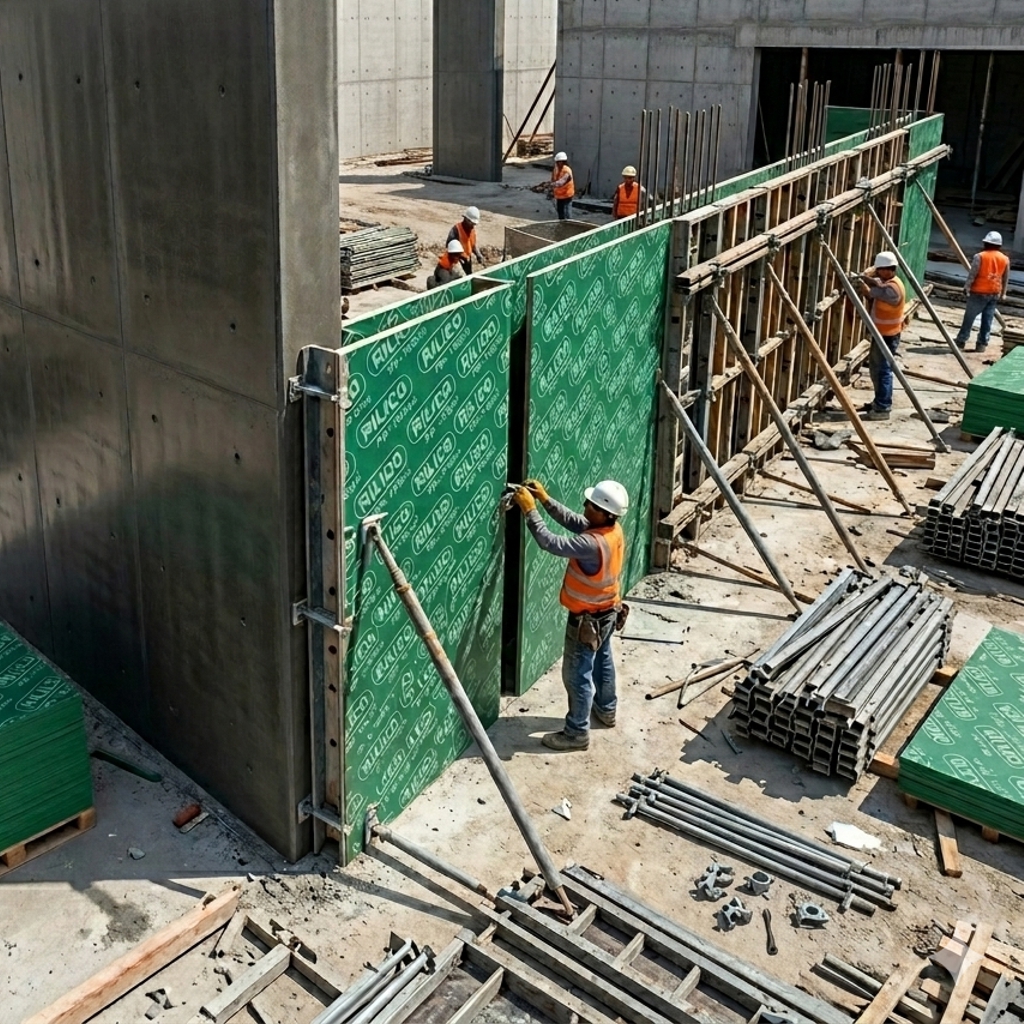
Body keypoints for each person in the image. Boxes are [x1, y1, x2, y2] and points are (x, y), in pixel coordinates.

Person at [512, 478, 629, 751]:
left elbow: (550, 542)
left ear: (604, 513)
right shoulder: (612, 530)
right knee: (603, 660)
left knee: (577, 675)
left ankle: (577, 732)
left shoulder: (591, 544)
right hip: (609, 611)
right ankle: (606, 710)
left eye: (592, 505)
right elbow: (577, 522)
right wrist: (545, 499)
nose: (586, 505)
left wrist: (530, 511)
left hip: (587, 620)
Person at [856, 251, 905, 421]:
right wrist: (867, 278)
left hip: (887, 335)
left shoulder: (891, 289)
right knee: (876, 369)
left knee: (883, 371)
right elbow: (877, 284)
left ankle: (883, 407)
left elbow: (872, 292)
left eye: (879, 270)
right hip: (883, 333)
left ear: (888, 270)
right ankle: (879, 402)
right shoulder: (890, 282)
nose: (877, 273)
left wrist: (860, 283)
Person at [955, 230, 1010, 353]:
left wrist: (966, 287)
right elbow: (1005, 277)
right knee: (987, 319)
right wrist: (1004, 293)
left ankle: (961, 340)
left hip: (978, 292)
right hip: (994, 293)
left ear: (986, 243)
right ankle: (982, 344)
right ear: (999, 245)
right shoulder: (1005, 259)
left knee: (969, 318)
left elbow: (972, 274)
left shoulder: (979, 256)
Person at [446, 206, 484, 276]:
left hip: (467, 260)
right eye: (472, 223)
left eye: (474, 224)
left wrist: (478, 254)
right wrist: (459, 258)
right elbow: (449, 247)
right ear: (466, 219)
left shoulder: (471, 230)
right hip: (457, 263)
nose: (473, 226)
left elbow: (472, 244)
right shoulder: (456, 230)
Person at [548, 151, 575, 220]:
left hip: (567, 195)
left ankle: (569, 226)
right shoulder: (556, 169)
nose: (558, 163)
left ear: (564, 162)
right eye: (557, 162)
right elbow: (553, 179)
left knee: (567, 213)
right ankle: (561, 225)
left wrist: (550, 185)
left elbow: (561, 182)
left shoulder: (567, 171)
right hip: (559, 196)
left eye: (560, 162)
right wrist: (551, 190)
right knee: (560, 213)